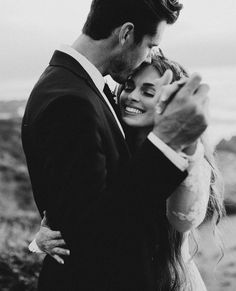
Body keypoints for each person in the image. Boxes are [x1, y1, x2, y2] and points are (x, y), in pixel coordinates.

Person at [21, 0, 210, 290]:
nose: (149, 54)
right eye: (149, 45)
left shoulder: (76, 86)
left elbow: (84, 204)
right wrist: (168, 140)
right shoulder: (70, 101)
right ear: (126, 33)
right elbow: (97, 232)